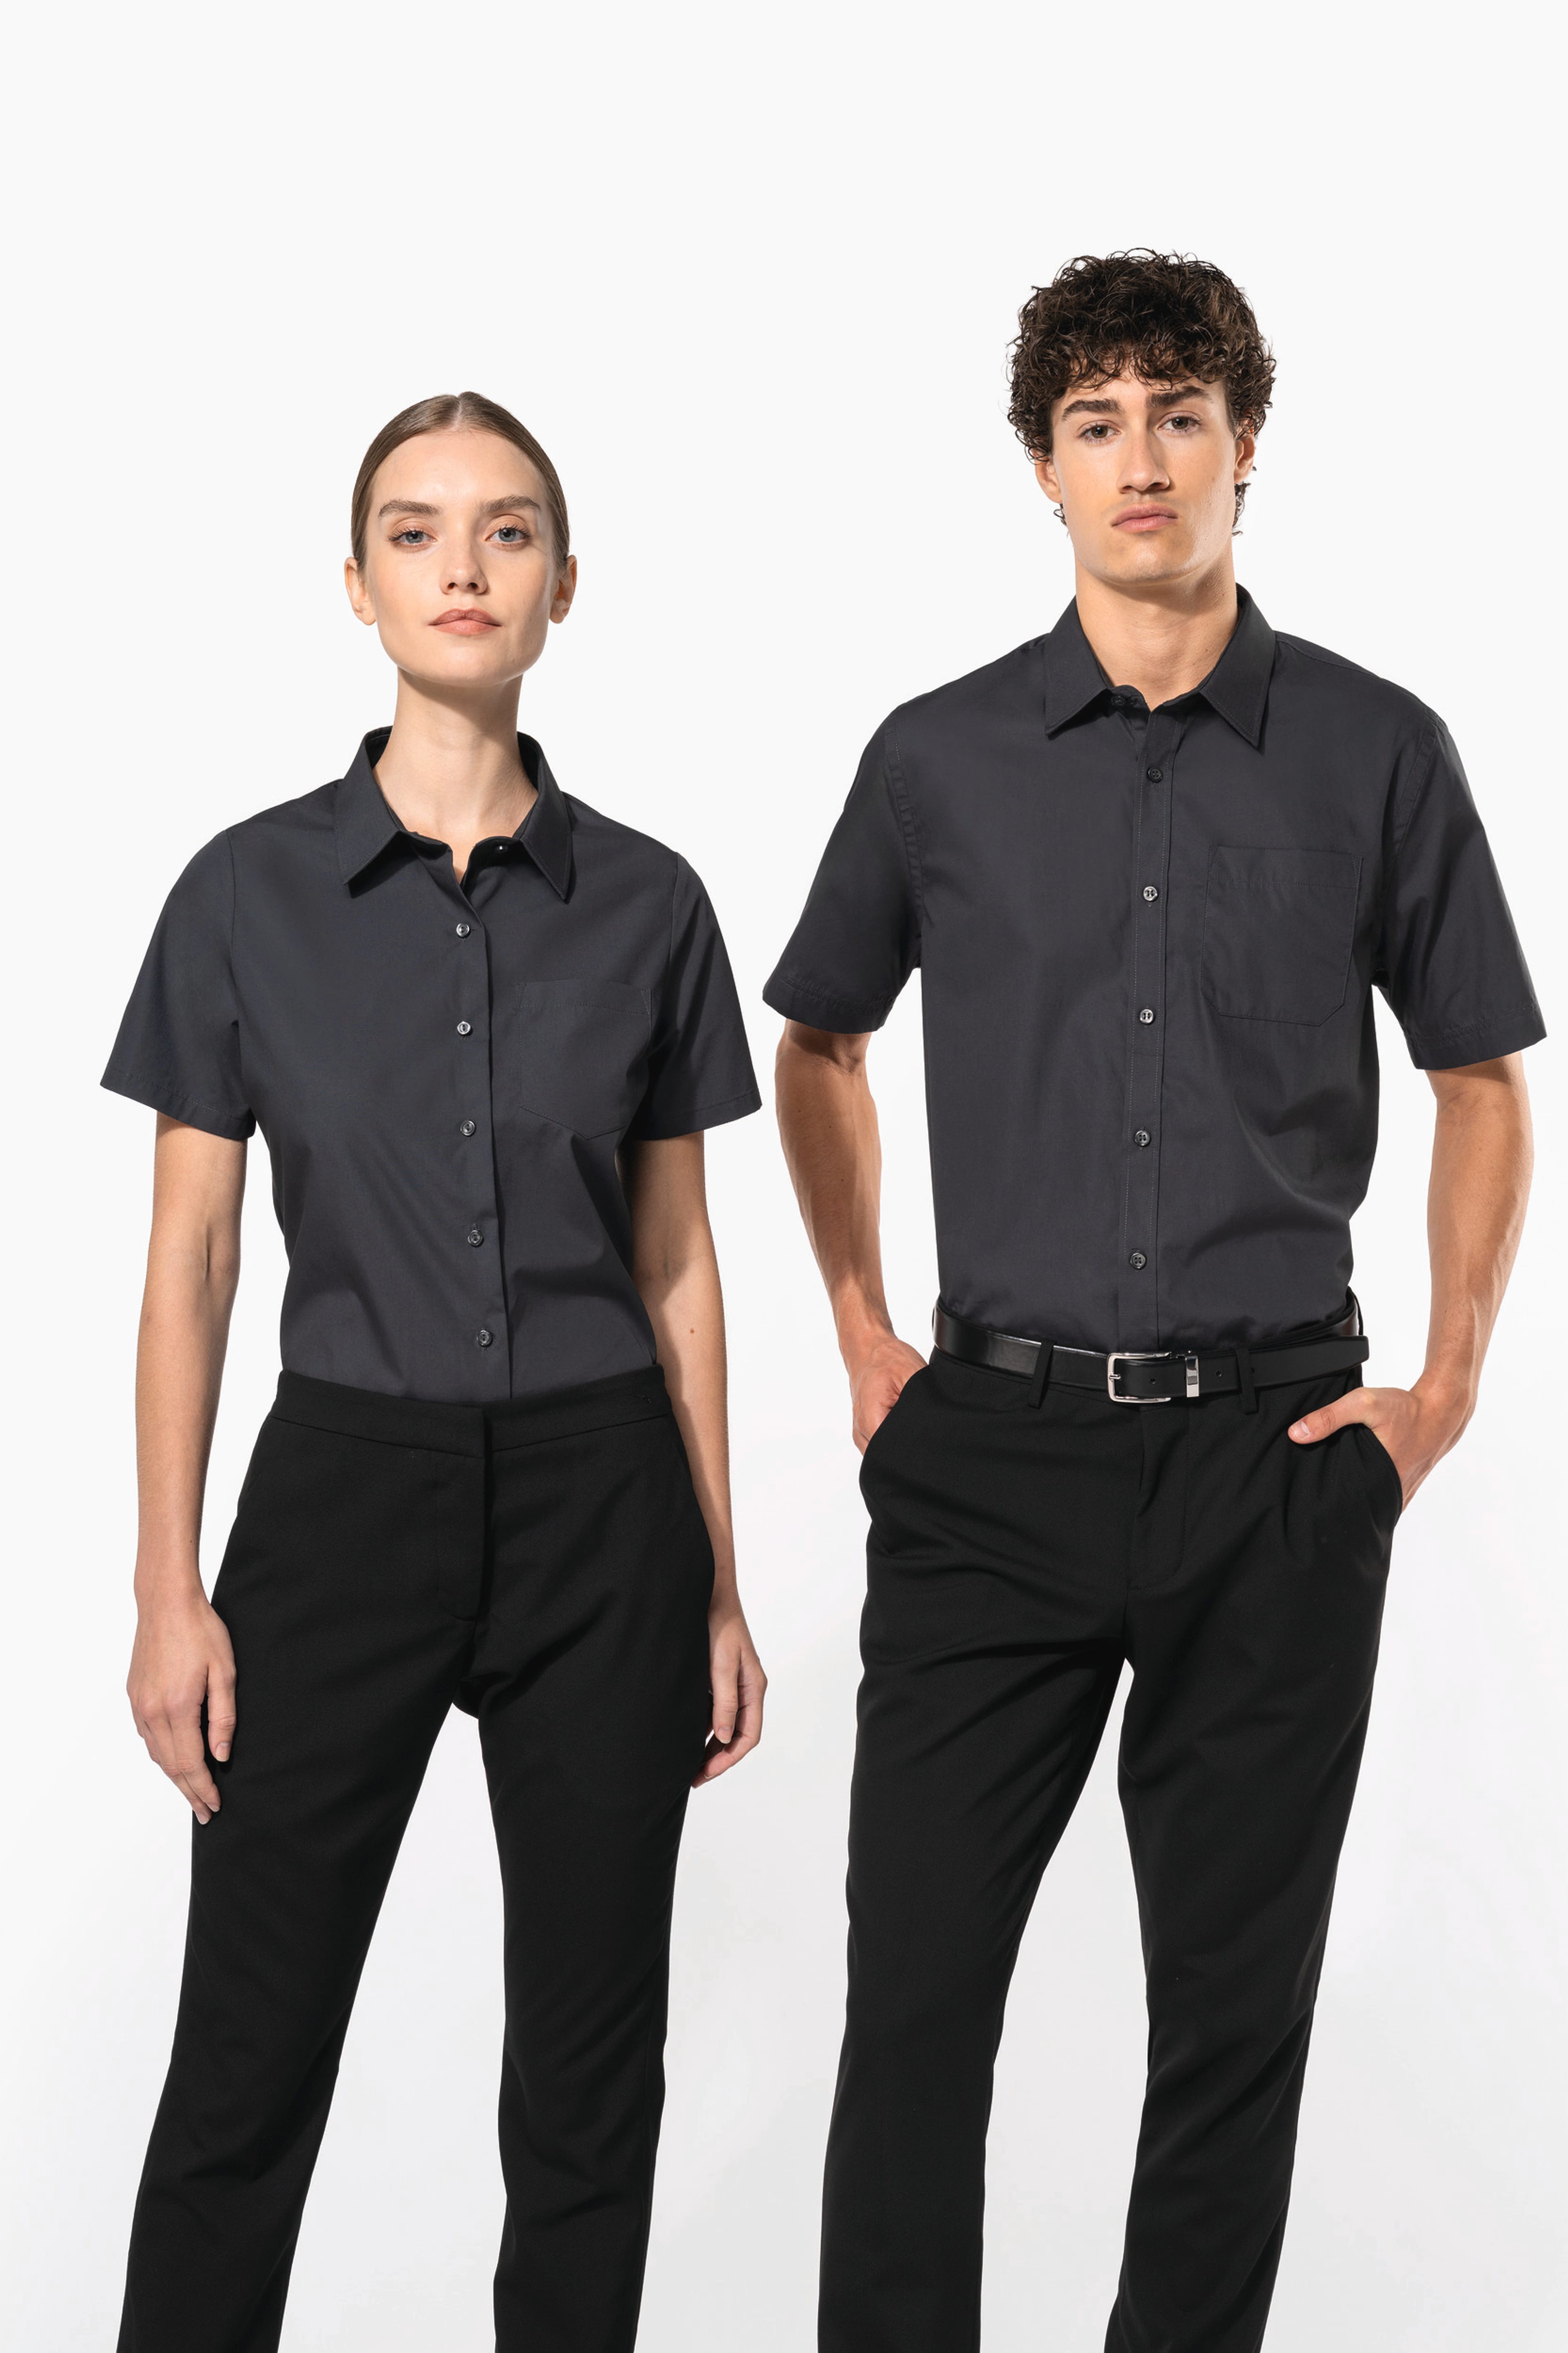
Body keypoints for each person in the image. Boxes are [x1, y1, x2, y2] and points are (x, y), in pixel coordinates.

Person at [766, 252, 1542, 2352]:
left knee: (1229, 2016)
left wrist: (1441, 1391)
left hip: (1273, 1462)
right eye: (1095, 422)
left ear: (1241, 446)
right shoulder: (934, 758)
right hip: (984, 1458)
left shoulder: (1375, 748)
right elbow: (815, 1041)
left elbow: (1481, 1078)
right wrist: (860, 1335)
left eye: (1177, 415)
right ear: (1041, 467)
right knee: (914, 2003)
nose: (1139, 459)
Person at [104, 391, 766, 2353]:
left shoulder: (650, 902)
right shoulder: (243, 894)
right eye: (415, 531)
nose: (461, 567)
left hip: (602, 1512)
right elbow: (191, 1260)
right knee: (245, 2061)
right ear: (356, 583)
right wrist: (167, 1585)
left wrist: (718, 1578)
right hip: (340, 1504)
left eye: (505, 531)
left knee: (589, 2081)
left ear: (564, 584)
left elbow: (676, 1266)